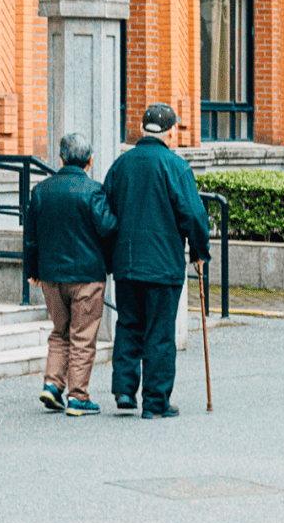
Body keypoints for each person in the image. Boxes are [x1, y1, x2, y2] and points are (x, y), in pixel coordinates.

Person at [101, 103, 211, 419]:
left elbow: (106, 214)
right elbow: (193, 214)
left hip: (128, 263)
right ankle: (155, 400)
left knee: (129, 324)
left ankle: (124, 390)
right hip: (164, 266)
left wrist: (111, 259)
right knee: (160, 332)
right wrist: (199, 252)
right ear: (169, 131)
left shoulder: (120, 166)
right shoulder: (175, 166)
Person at [23, 131, 117, 417]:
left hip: (51, 275)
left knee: (59, 332)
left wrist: (32, 270)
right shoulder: (94, 191)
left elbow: (31, 237)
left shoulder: (41, 191)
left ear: (61, 158)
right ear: (89, 160)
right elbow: (108, 227)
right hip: (87, 275)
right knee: (83, 336)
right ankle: (78, 397)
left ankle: (52, 385)